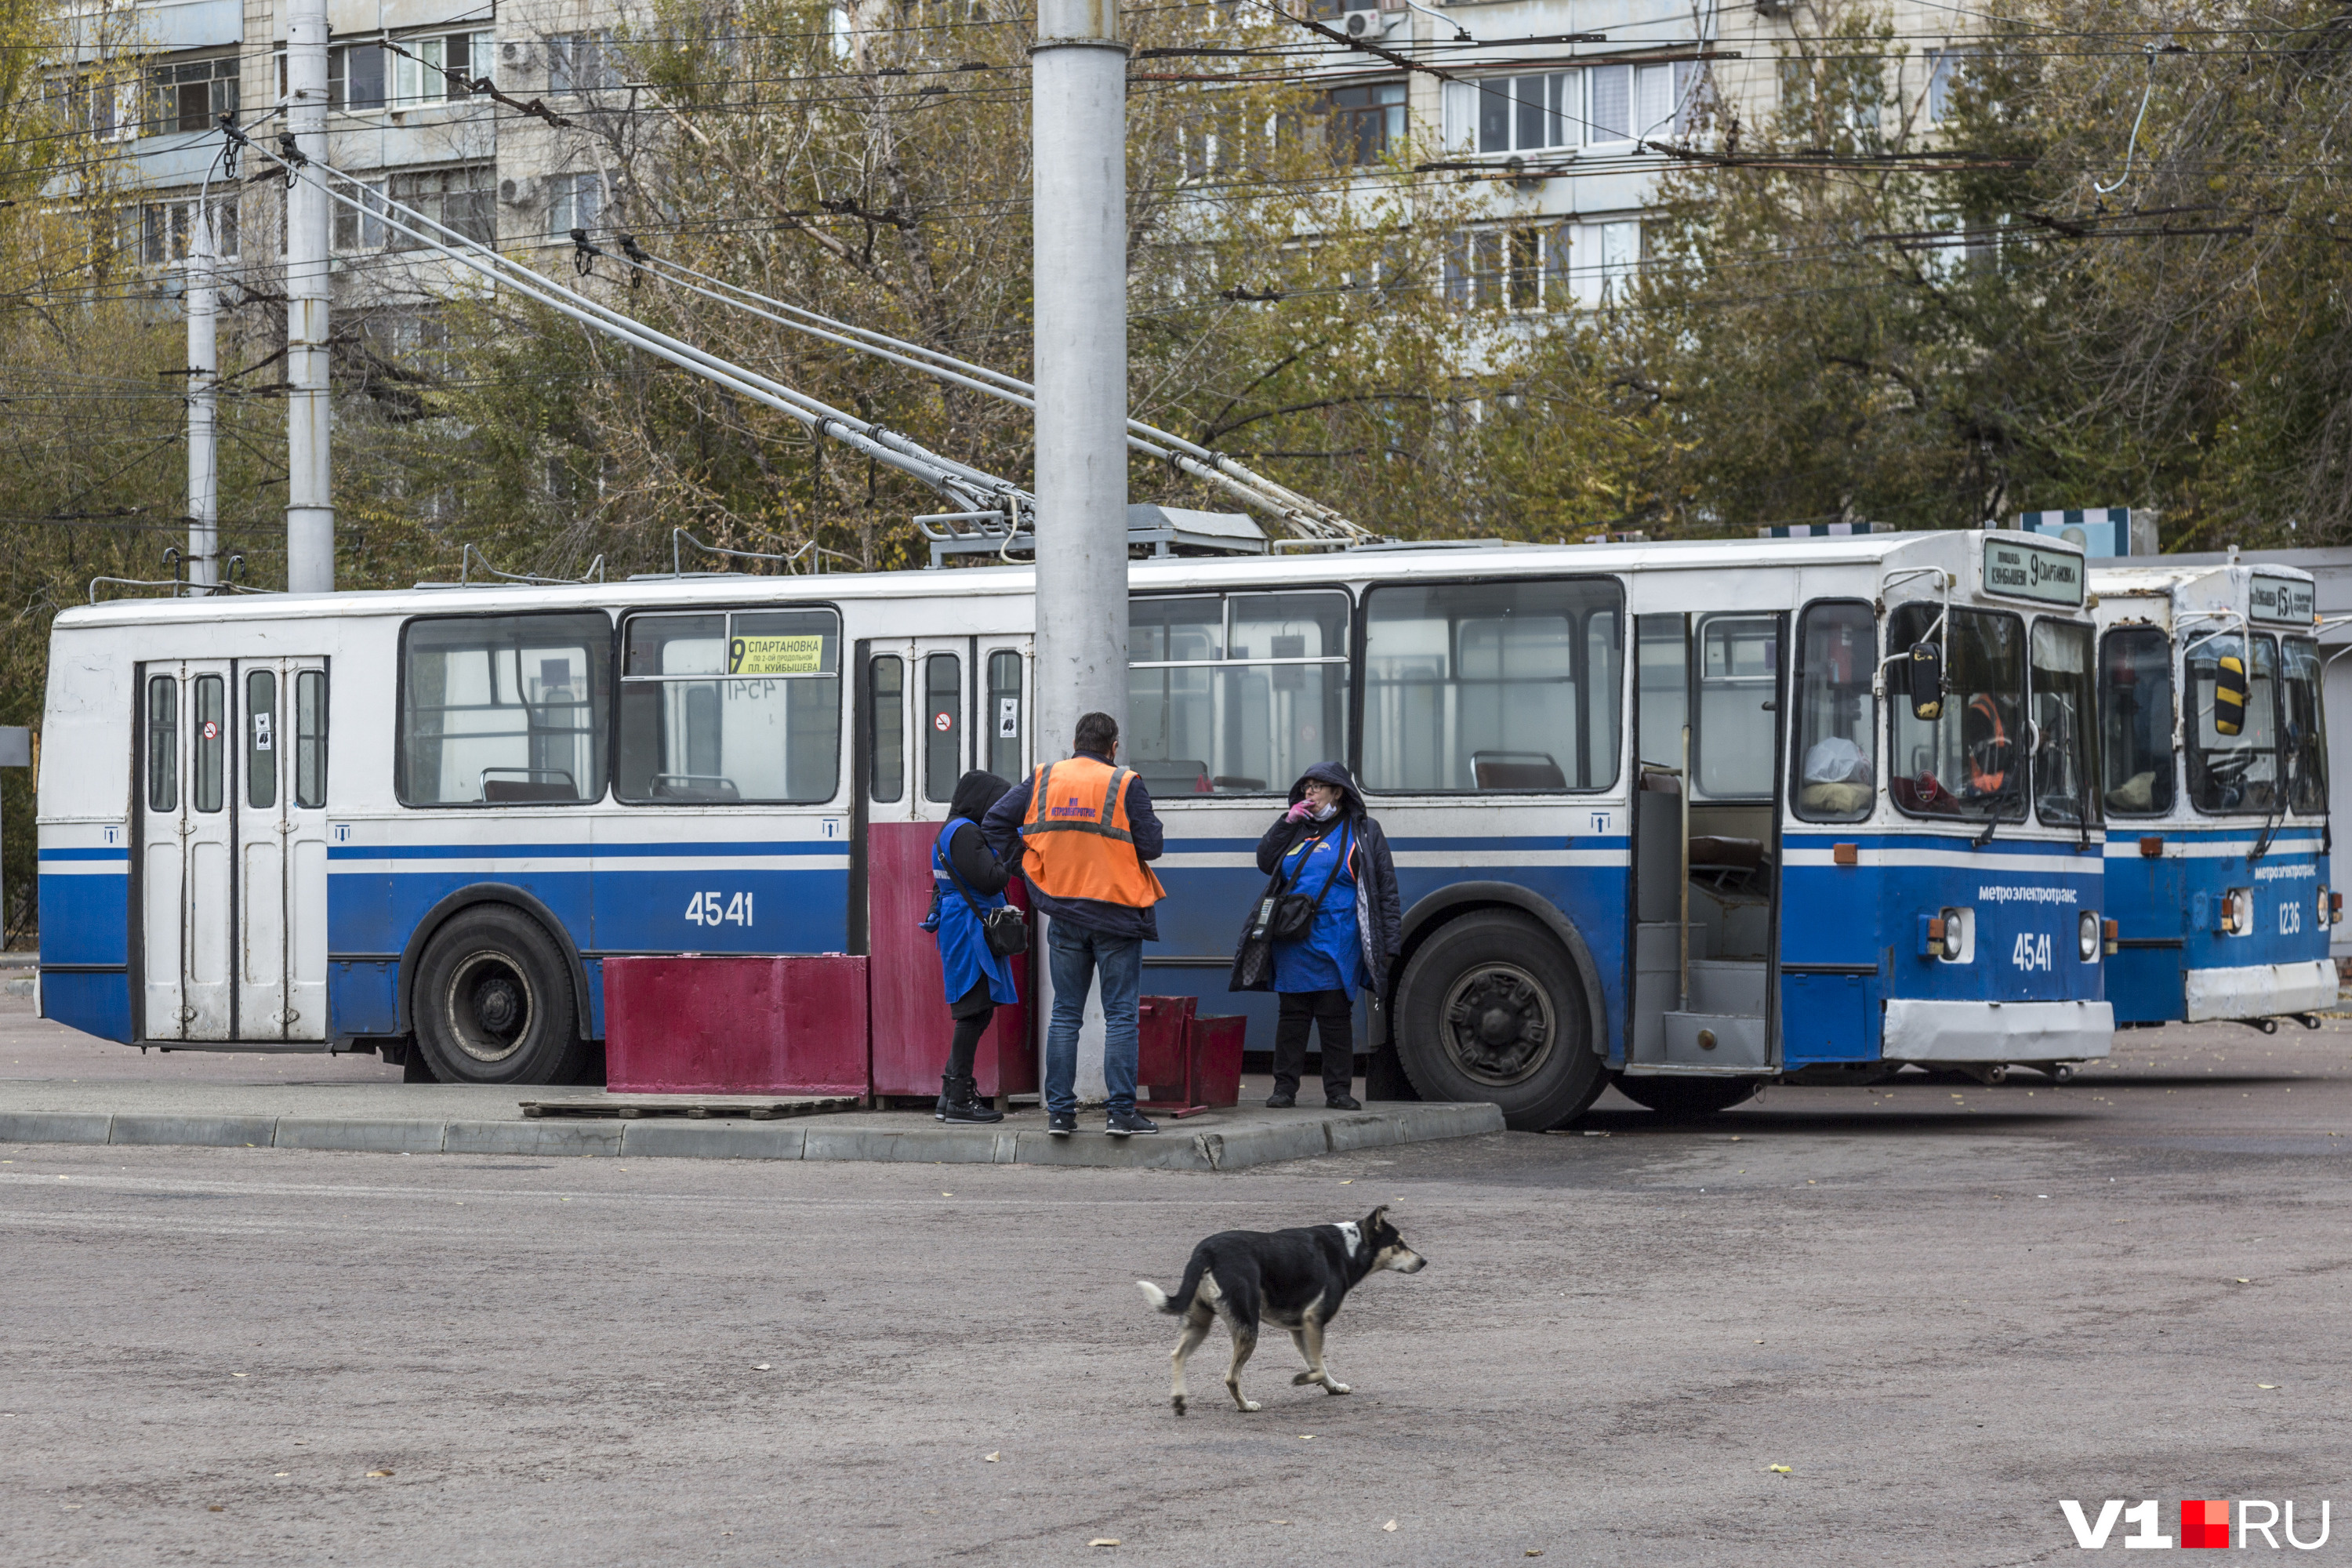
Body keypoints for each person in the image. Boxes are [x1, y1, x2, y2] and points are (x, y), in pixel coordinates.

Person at [982, 712, 1167, 1138]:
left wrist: (1028, 868)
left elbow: (995, 821)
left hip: (1064, 912)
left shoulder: (1045, 779)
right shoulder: (1125, 783)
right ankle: (1121, 1114)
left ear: (1075, 742)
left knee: (1065, 1015)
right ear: (1113, 746)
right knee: (1121, 1015)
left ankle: (1060, 1114)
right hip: (1117, 914)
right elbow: (1153, 846)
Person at [1231, 761, 1400, 1110]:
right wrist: (1286, 822)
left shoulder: (1365, 831)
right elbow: (1265, 860)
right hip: (1292, 938)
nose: (1310, 792)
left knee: (1335, 1015)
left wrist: (1390, 943)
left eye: (1318, 787)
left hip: (1340, 939)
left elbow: (1386, 889)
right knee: (1292, 1015)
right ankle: (1284, 1090)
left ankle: (1338, 1092)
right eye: (1306, 786)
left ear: (1337, 792)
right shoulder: (1297, 827)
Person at [927, 770, 1022, 1125]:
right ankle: (960, 1100)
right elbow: (993, 877)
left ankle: (950, 1095)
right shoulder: (966, 833)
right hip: (970, 929)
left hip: (965, 926)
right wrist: (1007, 850)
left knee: (976, 1010)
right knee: (973, 1012)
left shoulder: (953, 829)